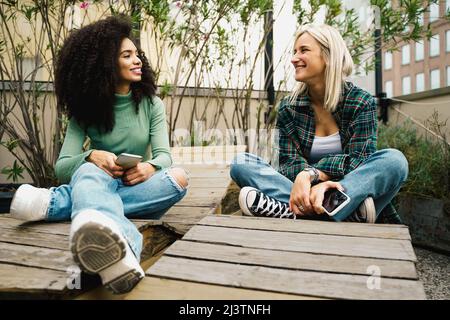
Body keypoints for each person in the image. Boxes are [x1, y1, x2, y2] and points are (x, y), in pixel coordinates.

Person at [9, 15, 189, 294]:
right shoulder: (85, 111)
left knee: (178, 178)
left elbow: (165, 155)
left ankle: (57, 204)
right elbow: (63, 167)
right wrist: (91, 156)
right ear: (106, 64)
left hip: (136, 184)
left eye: (137, 54)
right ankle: (123, 250)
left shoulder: (152, 104)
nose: (138, 60)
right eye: (127, 55)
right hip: (98, 180)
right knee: (89, 171)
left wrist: (150, 167)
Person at [231, 24, 408, 224]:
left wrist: (312, 174)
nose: (294, 58)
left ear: (328, 56)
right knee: (241, 163)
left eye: (304, 50)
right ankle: (338, 210)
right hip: (304, 191)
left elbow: (360, 161)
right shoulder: (289, 107)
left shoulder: (360, 102)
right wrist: (309, 181)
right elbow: (288, 165)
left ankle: (294, 210)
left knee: (395, 161)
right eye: (294, 51)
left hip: (345, 189)